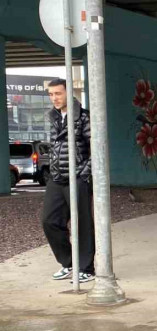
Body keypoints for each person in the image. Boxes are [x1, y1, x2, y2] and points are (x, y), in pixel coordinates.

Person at [42, 78, 95, 284]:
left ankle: (86, 269)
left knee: (82, 224)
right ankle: (69, 262)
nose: (54, 98)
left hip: (78, 178)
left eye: (58, 93)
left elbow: (95, 148)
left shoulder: (83, 117)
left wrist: (84, 173)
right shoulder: (53, 117)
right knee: (49, 221)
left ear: (68, 93)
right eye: (51, 94)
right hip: (57, 178)